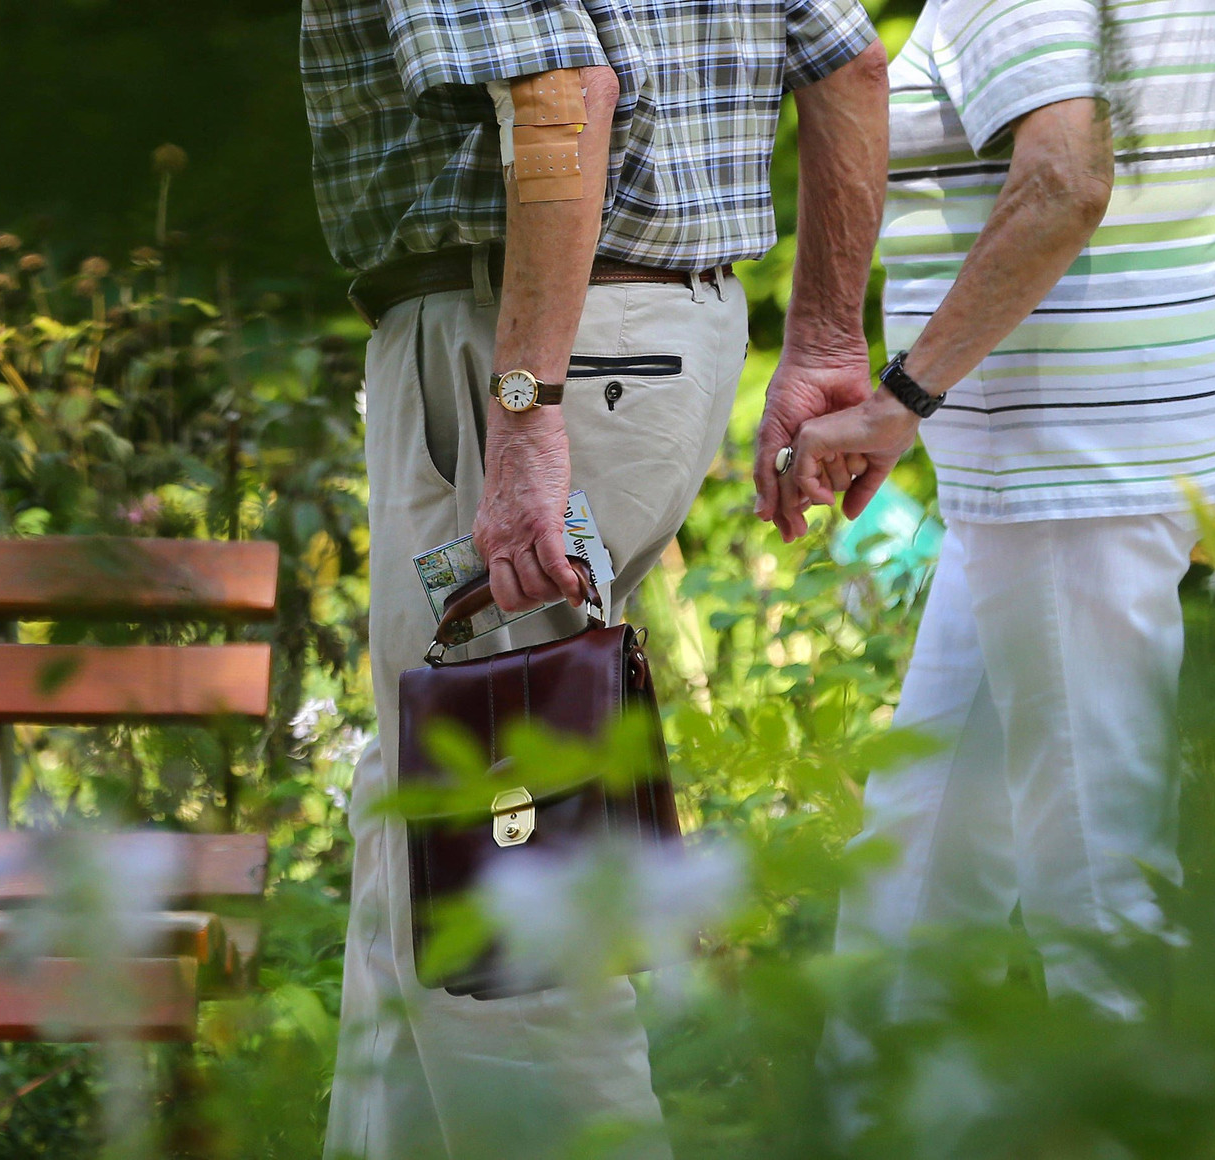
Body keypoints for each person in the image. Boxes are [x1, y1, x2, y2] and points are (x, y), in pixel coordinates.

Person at [300, 2, 889, 1156]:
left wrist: (523, 413)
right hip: (651, 334)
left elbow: (563, 91)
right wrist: (821, 338)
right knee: (428, 800)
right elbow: (850, 65)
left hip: (526, 342)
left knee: (495, 827)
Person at [762, 0, 1215, 1023]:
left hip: (1070, 470)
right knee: (918, 851)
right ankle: (876, 1108)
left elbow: (1063, 181)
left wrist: (901, 401)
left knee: (1099, 886)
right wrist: (1152, 313)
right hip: (1090, 468)